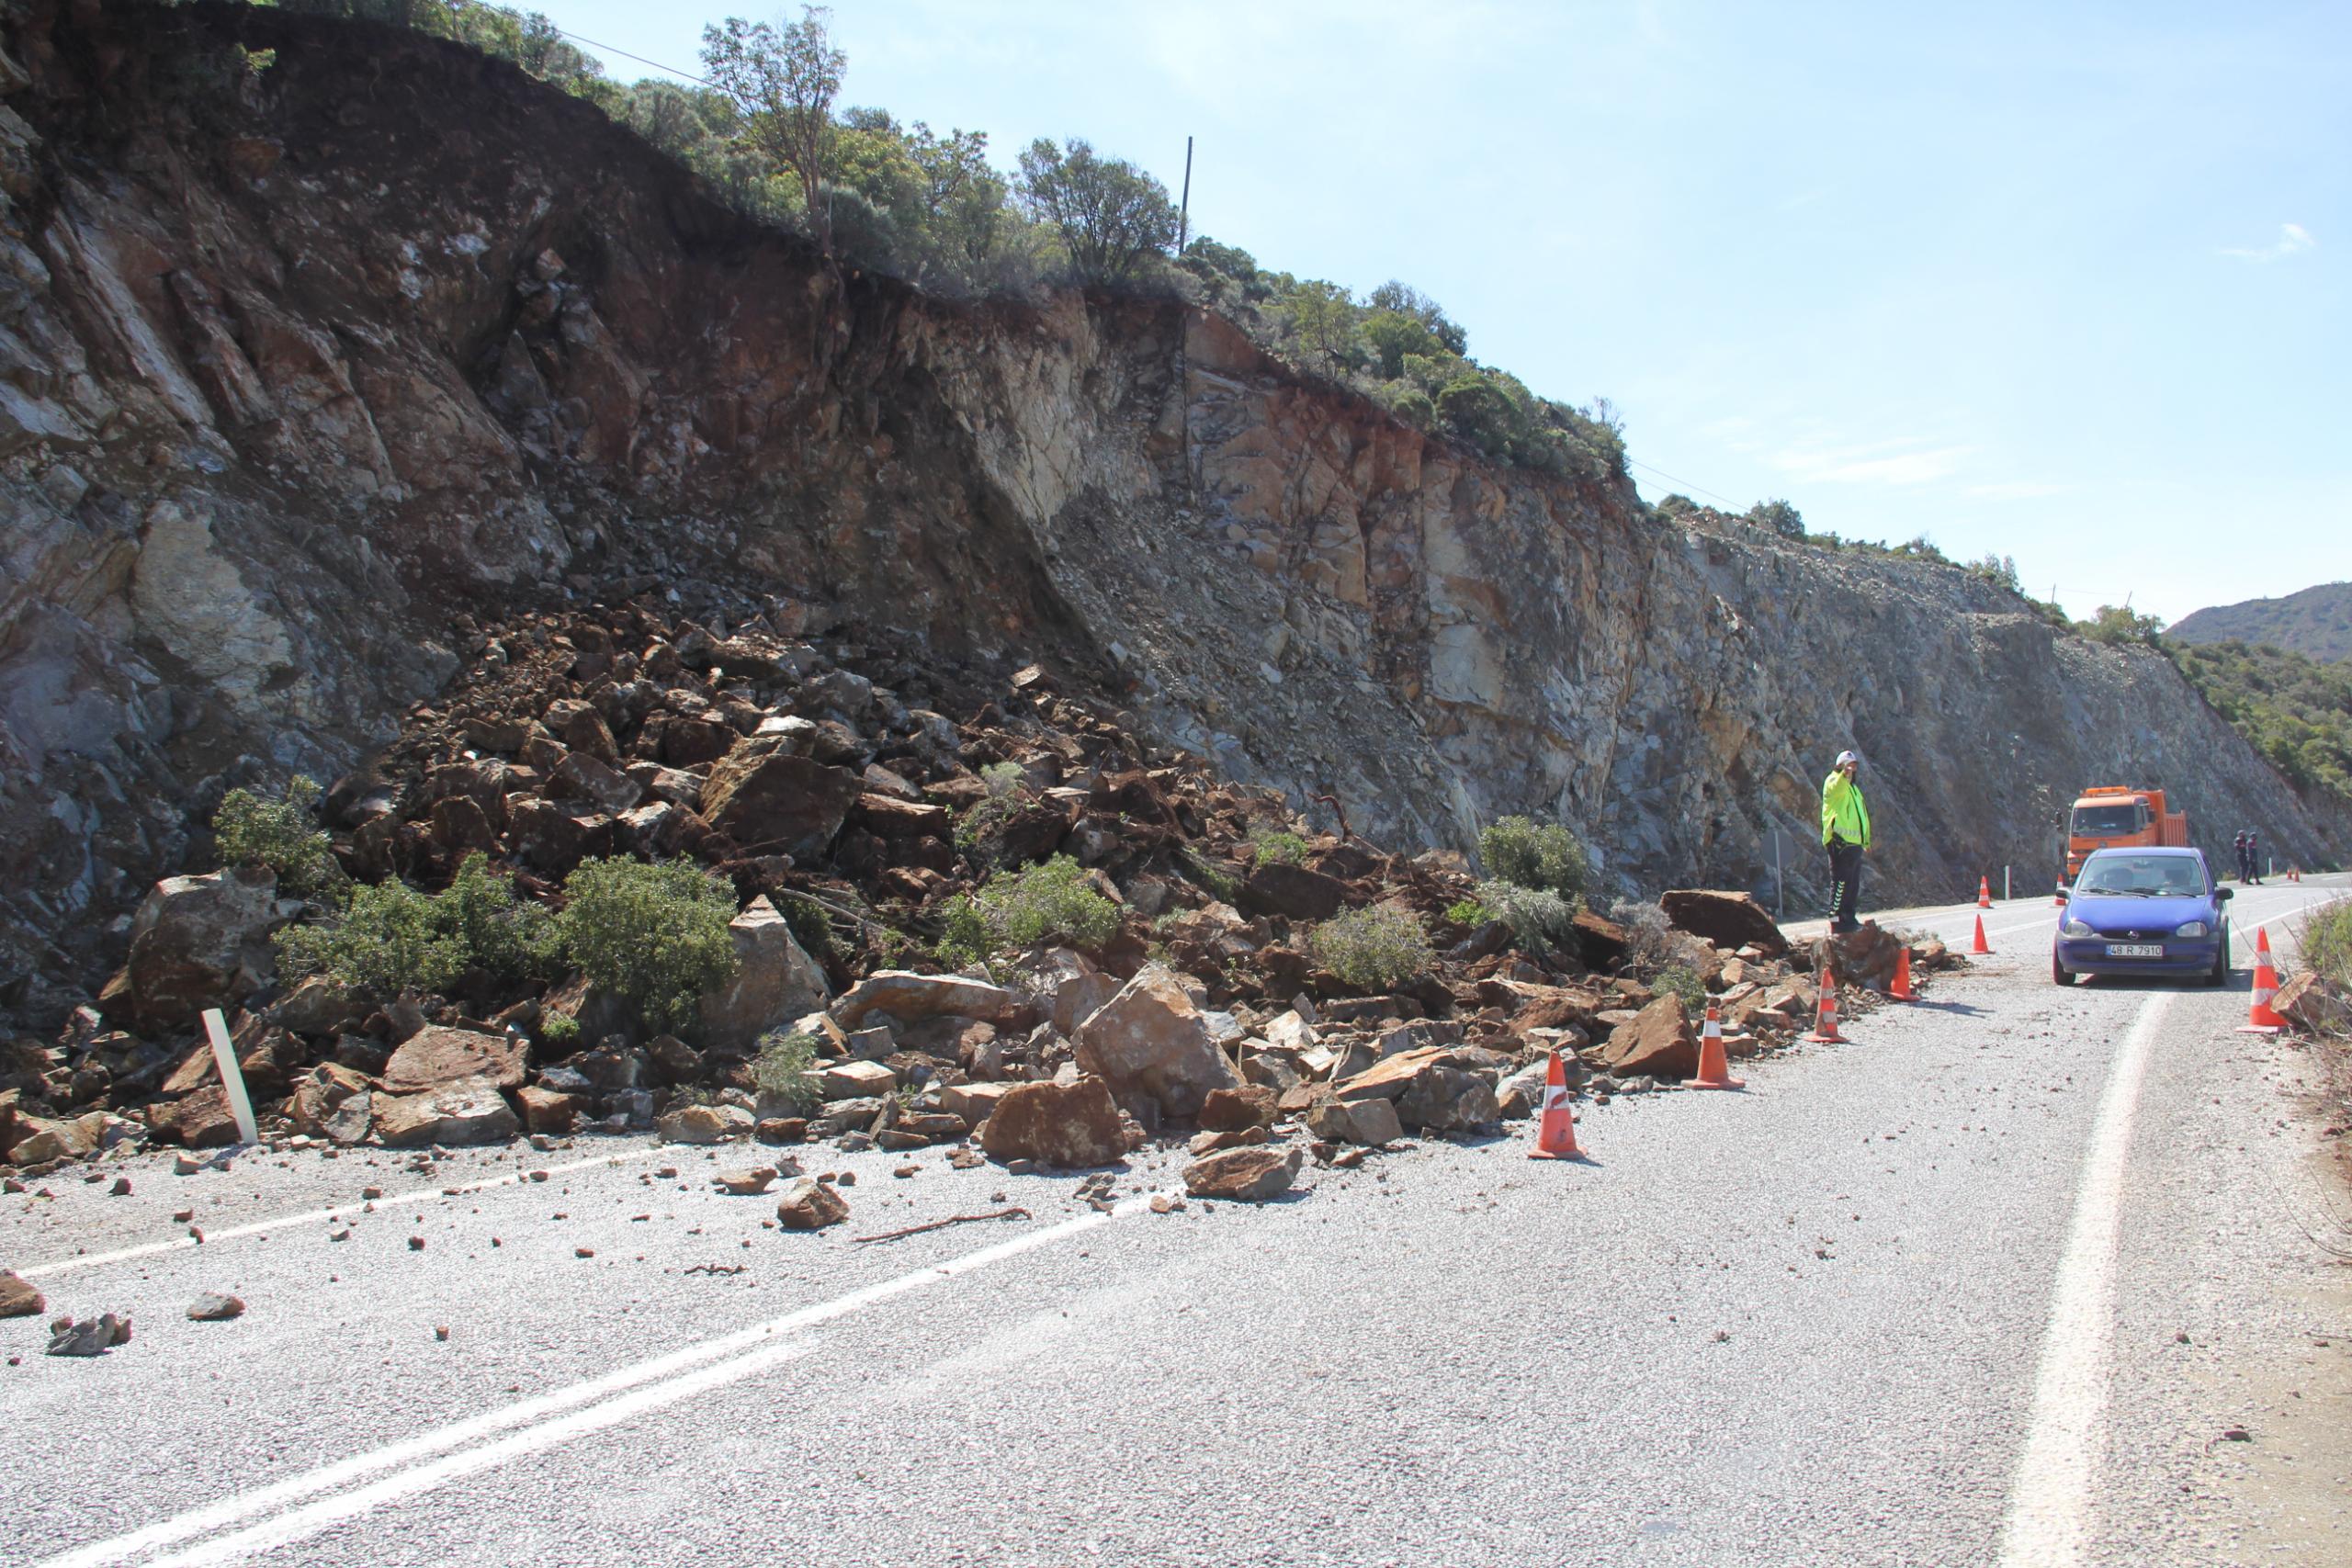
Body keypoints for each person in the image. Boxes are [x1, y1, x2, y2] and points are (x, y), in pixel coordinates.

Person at [1820, 750, 1871, 933]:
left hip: (1854, 844)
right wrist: (1844, 774)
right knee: (1840, 882)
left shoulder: (1854, 789)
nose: (1851, 769)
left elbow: (1861, 816)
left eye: (1854, 766)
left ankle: (1848, 918)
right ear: (1840, 766)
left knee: (1852, 884)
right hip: (1839, 842)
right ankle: (1836, 920)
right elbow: (1837, 787)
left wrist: (1865, 841)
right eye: (1848, 765)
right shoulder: (1834, 781)